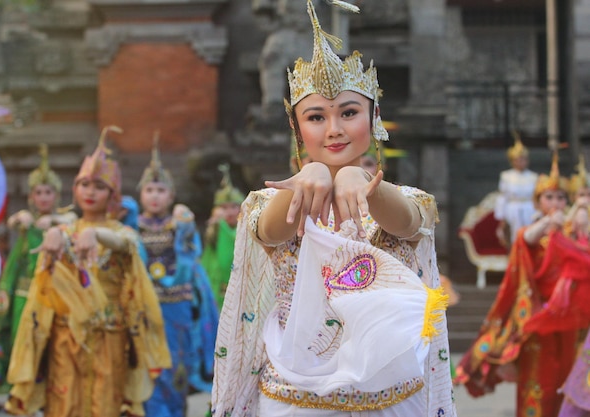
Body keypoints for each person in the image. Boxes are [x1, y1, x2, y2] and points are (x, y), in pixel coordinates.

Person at [211, 1, 456, 416]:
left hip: (391, 398)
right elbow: (269, 231)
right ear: (296, 127)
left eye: (348, 112)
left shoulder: (408, 199)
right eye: (316, 117)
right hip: (294, 398)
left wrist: (355, 179)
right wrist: (317, 174)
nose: (335, 129)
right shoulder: (267, 203)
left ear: (374, 116)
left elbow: (409, 223)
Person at [4, 126, 171, 417]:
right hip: (64, 339)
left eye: (99, 186)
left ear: (113, 194)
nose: (90, 192)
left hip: (109, 338)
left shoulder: (122, 233)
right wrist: (54, 234)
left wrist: (97, 235)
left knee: (105, 403)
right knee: (64, 404)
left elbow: (125, 245)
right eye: (84, 184)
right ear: (74, 190)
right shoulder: (64, 230)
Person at [454, 150, 582, 417]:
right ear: (537, 203)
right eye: (549, 197)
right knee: (539, 379)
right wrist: (549, 224)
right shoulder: (533, 231)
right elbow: (527, 240)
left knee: (569, 378)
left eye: (560, 197)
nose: (556, 202)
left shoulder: (574, 233)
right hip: (538, 315)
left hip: (570, 316)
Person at [137, 133, 219, 417]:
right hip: (145, 309)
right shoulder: (132, 228)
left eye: (161, 191)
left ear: (171, 196)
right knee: (149, 371)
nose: (155, 196)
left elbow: (189, 261)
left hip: (177, 308)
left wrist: (182, 227)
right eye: (149, 190)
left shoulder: (181, 225)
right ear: (141, 196)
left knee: (177, 369)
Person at [0, 144, 75, 388]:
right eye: (38, 192)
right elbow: (14, 221)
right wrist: (20, 218)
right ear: (30, 197)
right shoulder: (26, 222)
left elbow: (72, 223)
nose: (43, 197)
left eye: (48, 192)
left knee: (54, 347)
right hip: (25, 296)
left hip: (55, 295)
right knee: (22, 343)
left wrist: (55, 222)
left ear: (57, 195)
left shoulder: (65, 222)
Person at [202, 163, 245, 309]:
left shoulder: (247, 228)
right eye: (224, 207)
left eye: (234, 206)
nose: (229, 212)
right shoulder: (215, 229)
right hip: (218, 285)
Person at [494, 131, 538, 248]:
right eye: (517, 159)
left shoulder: (534, 176)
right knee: (514, 238)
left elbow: (536, 197)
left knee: (530, 237)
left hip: (530, 209)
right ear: (512, 161)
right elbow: (503, 197)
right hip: (513, 210)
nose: (520, 162)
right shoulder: (506, 176)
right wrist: (501, 218)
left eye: (523, 159)